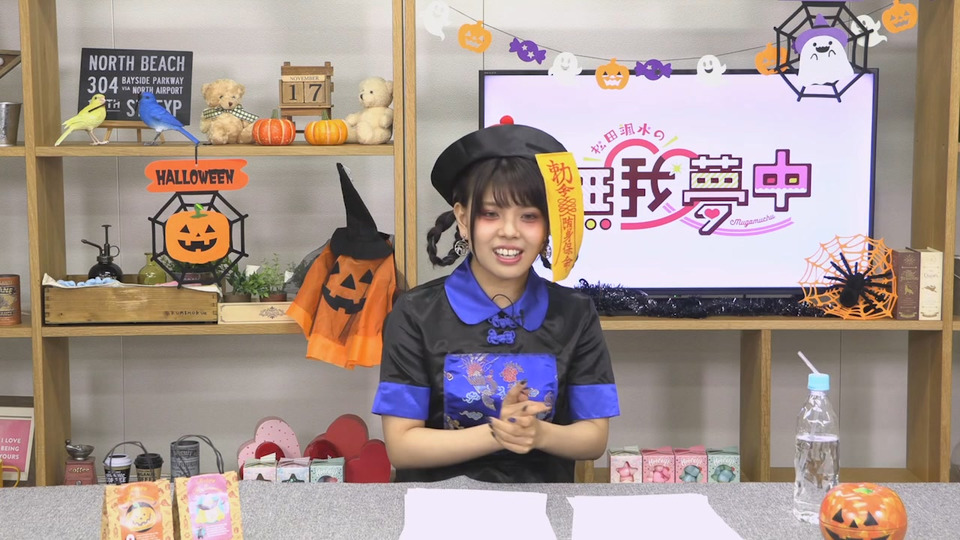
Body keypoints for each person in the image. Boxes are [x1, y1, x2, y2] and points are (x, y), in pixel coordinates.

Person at [372, 123, 620, 483]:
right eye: (491, 214)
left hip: (544, 506)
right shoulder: (415, 313)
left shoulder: (575, 313)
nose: (510, 231)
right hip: (435, 507)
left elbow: (594, 438)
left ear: (548, 226)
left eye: (529, 216)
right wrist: (500, 432)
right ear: (462, 219)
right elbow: (402, 446)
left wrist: (539, 433)